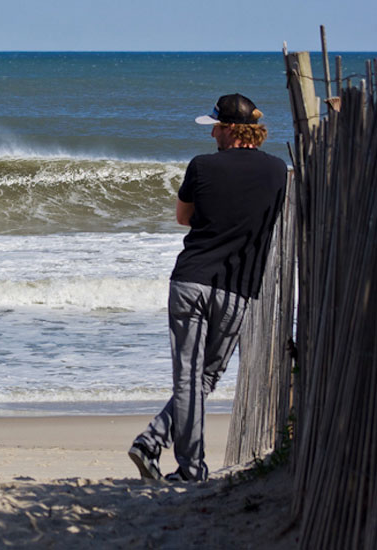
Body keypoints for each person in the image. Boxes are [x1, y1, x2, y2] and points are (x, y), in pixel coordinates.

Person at [128, 93, 286, 482]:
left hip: (191, 280)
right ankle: (172, 457)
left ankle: (168, 453)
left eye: (216, 125)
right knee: (204, 378)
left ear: (231, 129)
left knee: (189, 378)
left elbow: (184, 217)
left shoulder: (202, 166)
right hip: (237, 286)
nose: (212, 131)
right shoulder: (278, 170)